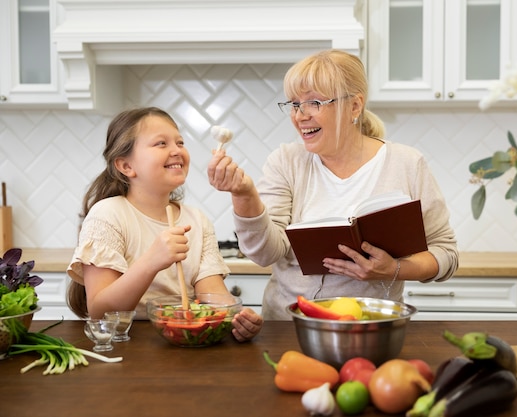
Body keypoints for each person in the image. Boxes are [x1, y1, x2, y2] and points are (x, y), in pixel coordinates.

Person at [207, 49, 459, 320]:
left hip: (372, 327)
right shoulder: (286, 161)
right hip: (288, 328)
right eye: (294, 104)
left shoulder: (407, 164)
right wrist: (244, 194)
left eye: (314, 102)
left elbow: (445, 253)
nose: (300, 115)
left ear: (354, 106)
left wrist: (394, 269)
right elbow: (265, 254)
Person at [67, 107, 263, 341]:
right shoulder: (108, 215)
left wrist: (236, 315)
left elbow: (211, 291)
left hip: (185, 338)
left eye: (179, 142)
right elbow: (101, 311)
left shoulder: (197, 220)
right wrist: (151, 261)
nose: (176, 150)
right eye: (161, 144)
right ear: (126, 166)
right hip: (130, 343)